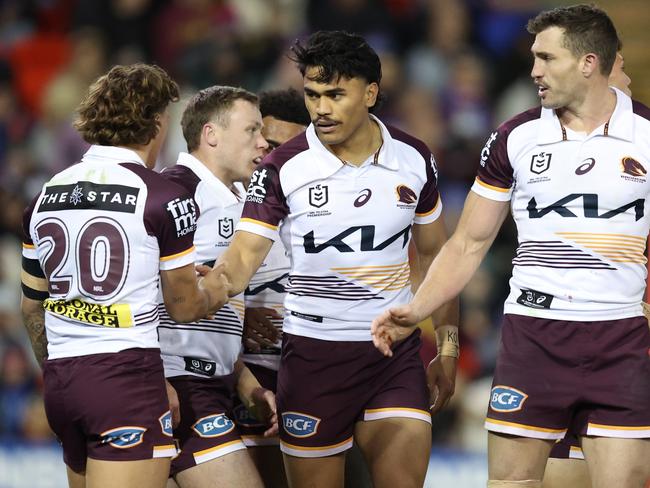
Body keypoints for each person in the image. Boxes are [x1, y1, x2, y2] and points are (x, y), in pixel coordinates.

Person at [371, 5, 650, 488]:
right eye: (533, 57)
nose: (534, 70)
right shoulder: (515, 135)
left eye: (546, 58)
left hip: (620, 338)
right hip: (533, 336)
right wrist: (416, 309)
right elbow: (468, 242)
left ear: (588, 62)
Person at [217, 31, 459, 488]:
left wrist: (447, 346)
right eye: (312, 95)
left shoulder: (414, 158)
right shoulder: (282, 167)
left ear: (370, 93)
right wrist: (201, 289)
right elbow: (242, 258)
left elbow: (435, 258)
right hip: (312, 359)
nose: (321, 109)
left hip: (393, 356)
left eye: (334, 95)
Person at [20, 64, 229, 488]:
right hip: (125, 378)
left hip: (61, 382)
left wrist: (66, 374)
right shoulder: (164, 195)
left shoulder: (45, 194)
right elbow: (185, 305)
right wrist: (221, 286)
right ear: (156, 123)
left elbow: (31, 306)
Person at [157, 85, 277, 488]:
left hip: (215, 383)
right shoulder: (175, 193)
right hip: (179, 386)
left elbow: (213, 305)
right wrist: (157, 381)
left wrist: (245, 384)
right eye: (252, 130)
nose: (264, 142)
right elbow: (135, 291)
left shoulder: (241, 198)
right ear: (211, 135)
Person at [542, 47, 633, 488]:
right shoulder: (541, 144)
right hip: (562, 334)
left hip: (626, 345)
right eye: (622, 69)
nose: (629, 79)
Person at [233, 88, 310, 488]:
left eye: (288, 149)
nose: (272, 158)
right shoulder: (228, 207)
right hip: (252, 376)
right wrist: (238, 320)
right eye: (269, 145)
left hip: (319, 372)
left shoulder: (328, 208)